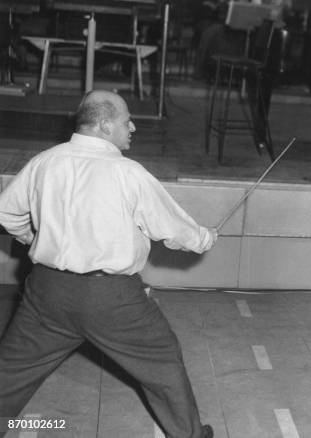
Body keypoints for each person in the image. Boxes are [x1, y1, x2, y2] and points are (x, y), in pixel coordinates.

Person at [0, 90, 217, 438]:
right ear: (103, 124)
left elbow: (6, 213)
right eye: (125, 120)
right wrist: (205, 237)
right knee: (162, 359)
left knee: (10, 371)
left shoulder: (45, 162)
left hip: (46, 293)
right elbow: (175, 229)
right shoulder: (127, 173)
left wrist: (35, 239)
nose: (132, 126)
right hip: (111, 299)